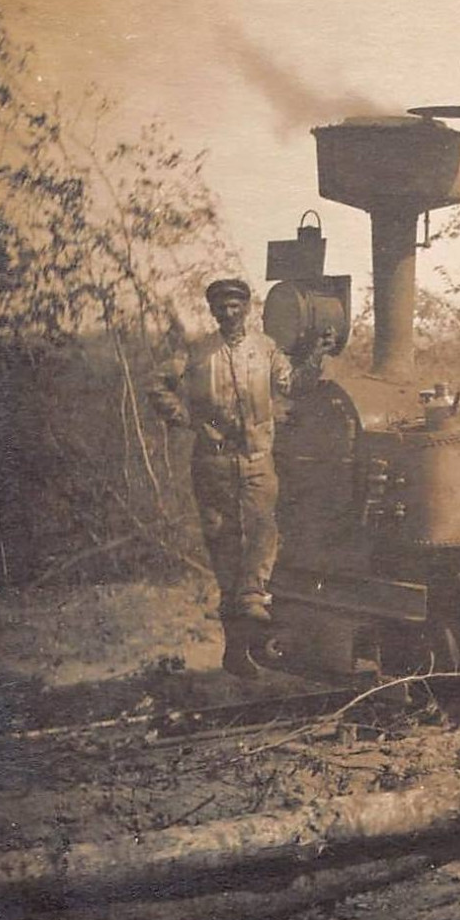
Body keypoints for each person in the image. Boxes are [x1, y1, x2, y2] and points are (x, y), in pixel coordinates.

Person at [148, 278, 330, 673]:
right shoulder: (197, 352)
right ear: (213, 311)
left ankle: (251, 600)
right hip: (212, 463)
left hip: (257, 459)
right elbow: (158, 385)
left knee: (263, 533)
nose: (229, 313)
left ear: (247, 308)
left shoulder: (265, 349)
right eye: (221, 307)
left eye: (235, 306)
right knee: (223, 545)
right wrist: (183, 417)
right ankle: (236, 650)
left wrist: (316, 356)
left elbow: (293, 385)